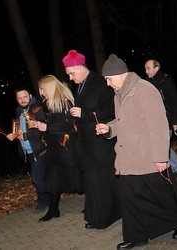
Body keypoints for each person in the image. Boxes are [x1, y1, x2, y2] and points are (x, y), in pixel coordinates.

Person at [96, 54, 177, 249]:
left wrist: (160, 157)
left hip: (147, 156)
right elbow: (122, 122)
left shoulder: (145, 90)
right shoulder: (119, 94)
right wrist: (108, 129)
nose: (107, 84)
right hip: (127, 157)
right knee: (129, 198)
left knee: (161, 195)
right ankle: (136, 236)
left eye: (108, 79)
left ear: (120, 74)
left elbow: (159, 125)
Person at [62, 49, 121, 229]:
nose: (71, 78)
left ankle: (105, 217)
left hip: (100, 144)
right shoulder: (79, 85)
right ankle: (95, 216)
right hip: (85, 144)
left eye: (71, 73)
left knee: (102, 182)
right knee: (91, 183)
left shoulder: (100, 83)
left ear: (80, 68)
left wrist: (85, 114)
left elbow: (110, 109)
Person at [35, 75, 84, 222]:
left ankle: (93, 203)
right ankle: (53, 209)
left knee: (78, 178)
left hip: (66, 148)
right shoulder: (48, 104)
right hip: (54, 149)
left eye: (43, 89)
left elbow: (69, 126)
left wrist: (47, 127)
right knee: (52, 180)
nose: (41, 92)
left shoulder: (65, 102)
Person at [6, 87, 49, 213]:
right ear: (16, 99)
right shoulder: (19, 112)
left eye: (25, 97)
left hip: (40, 150)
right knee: (41, 177)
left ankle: (43, 202)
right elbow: (19, 131)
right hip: (28, 151)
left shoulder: (37, 109)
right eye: (19, 98)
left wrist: (24, 136)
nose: (22, 100)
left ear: (30, 96)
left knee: (36, 177)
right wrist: (14, 135)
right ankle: (50, 198)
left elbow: (41, 130)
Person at [144, 59, 177, 183]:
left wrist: (176, 121)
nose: (146, 71)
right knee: (164, 147)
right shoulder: (148, 83)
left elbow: (175, 101)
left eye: (148, 68)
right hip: (155, 122)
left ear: (156, 68)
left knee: (163, 148)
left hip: (167, 121)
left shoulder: (166, 81)